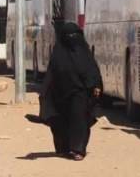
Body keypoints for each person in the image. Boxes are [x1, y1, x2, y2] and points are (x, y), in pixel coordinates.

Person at [40, 22, 103, 161]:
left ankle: (78, 149)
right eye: (68, 36)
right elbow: (51, 74)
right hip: (60, 92)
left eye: (74, 35)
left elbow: (93, 71)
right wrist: (45, 91)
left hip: (80, 91)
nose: (72, 38)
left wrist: (96, 86)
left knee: (79, 119)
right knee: (60, 120)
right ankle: (63, 147)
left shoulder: (84, 52)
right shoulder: (58, 54)